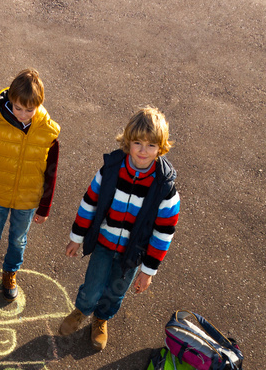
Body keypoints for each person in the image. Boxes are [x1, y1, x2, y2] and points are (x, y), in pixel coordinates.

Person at [58, 105, 180, 350]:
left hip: (132, 254)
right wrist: (77, 236)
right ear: (127, 141)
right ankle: (82, 310)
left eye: (151, 145)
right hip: (104, 242)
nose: (143, 151)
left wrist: (148, 270)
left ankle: (101, 319)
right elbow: (90, 201)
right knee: (92, 286)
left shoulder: (164, 187)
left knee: (115, 291)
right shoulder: (112, 170)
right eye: (137, 143)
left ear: (161, 147)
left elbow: (163, 232)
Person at [0, 68, 60, 301]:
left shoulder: (48, 132)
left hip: (28, 199)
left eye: (29, 110)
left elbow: (51, 173)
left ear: (39, 104)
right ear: (11, 101)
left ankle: (10, 273)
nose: (22, 114)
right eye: (18, 107)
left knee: (19, 240)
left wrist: (44, 207)